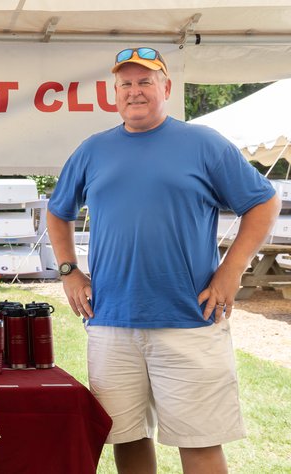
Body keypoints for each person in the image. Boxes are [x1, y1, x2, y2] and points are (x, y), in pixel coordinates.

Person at [46, 47, 280, 473]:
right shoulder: (92, 150)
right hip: (112, 321)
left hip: (190, 319)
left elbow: (264, 203)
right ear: (114, 94)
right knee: (127, 437)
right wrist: (68, 271)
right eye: (126, 84)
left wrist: (231, 271)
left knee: (201, 443)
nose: (135, 92)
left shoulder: (204, 144)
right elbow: (57, 211)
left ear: (166, 88)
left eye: (146, 82)